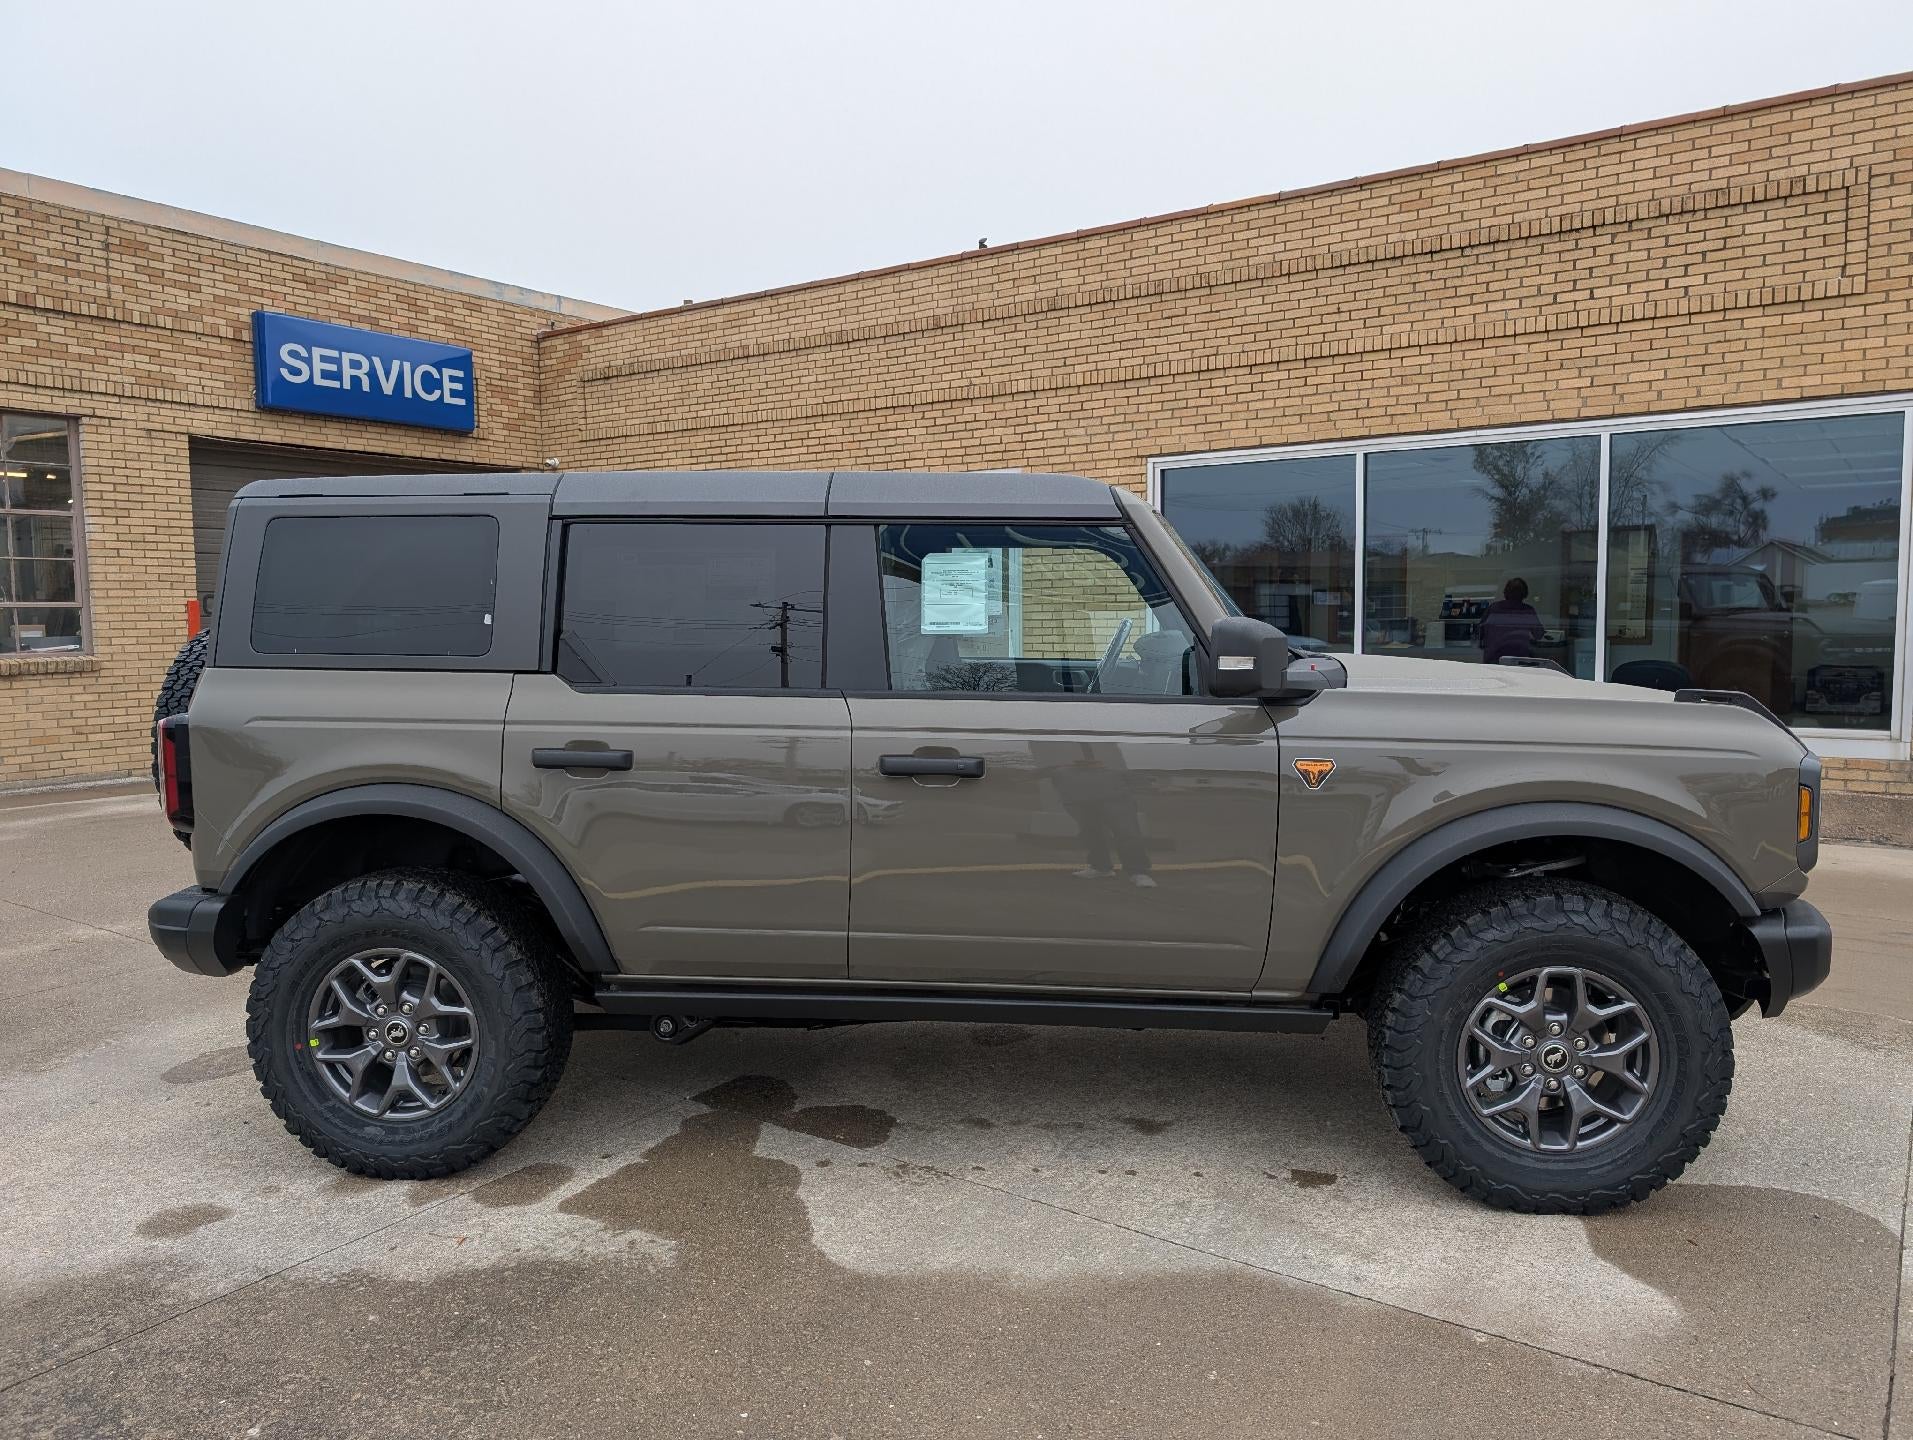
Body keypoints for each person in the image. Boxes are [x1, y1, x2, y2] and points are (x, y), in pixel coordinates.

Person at [1479, 577, 1545, 665]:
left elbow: (1480, 632)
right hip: (1519, 660)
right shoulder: (1527, 611)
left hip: (1494, 660)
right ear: (1524, 594)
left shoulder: (1493, 608)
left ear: (1505, 592)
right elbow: (1539, 635)